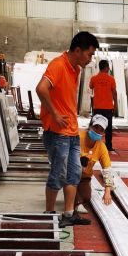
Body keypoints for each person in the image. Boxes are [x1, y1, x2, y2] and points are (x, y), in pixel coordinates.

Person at [36, 31, 99, 227]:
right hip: (57, 132)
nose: (90, 59)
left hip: (71, 130)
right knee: (58, 173)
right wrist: (54, 114)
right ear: (78, 50)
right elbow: (41, 88)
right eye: (89, 54)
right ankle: (49, 214)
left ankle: (69, 213)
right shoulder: (58, 65)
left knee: (74, 173)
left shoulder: (75, 69)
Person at [76, 115, 115, 210]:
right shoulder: (77, 137)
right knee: (72, 196)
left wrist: (107, 192)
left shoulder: (101, 147)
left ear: (103, 133)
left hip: (84, 177)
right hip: (71, 173)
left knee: (86, 197)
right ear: (90, 126)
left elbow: (107, 170)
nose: (97, 131)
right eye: (96, 127)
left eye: (101, 130)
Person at [89, 59, 117, 152]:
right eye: (108, 67)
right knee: (108, 128)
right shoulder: (111, 79)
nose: (109, 68)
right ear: (106, 68)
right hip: (108, 108)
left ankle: (92, 145)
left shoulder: (94, 78)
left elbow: (91, 86)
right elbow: (114, 93)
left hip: (97, 107)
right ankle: (108, 146)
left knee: (95, 127)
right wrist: (115, 105)